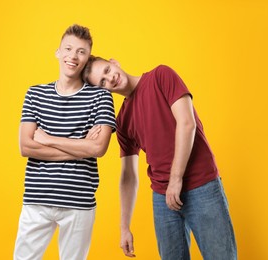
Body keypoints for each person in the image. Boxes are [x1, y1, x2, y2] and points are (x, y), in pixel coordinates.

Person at [82, 56, 237, 260]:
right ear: (102, 92)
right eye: (102, 82)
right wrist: (124, 227)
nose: (110, 79)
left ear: (114, 62)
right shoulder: (122, 121)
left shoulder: (161, 76)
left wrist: (176, 178)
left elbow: (187, 123)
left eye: (107, 70)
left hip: (202, 185)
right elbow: (128, 175)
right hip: (163, 198)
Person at [14, 25, 116, 260]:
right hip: (36, 199)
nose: (73, 56)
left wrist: (48, 140)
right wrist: (82, 147)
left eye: (81, 52)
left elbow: (99, 148)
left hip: (79, 203)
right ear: (58, 52)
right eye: (68, 49)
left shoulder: (100, 96)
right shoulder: (35, 94)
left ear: (88, 57)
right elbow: (26, 147)